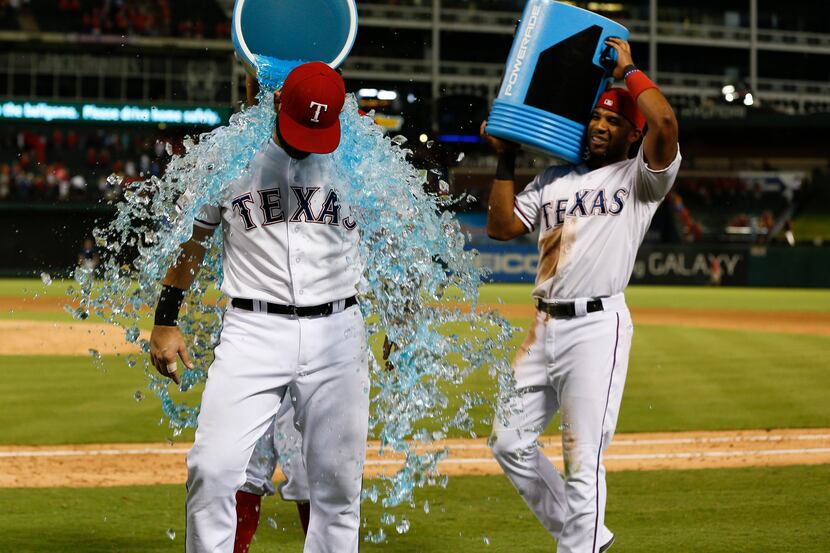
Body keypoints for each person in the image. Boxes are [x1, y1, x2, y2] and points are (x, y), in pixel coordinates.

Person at [149, 62, 368, 553]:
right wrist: (166, 319)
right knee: (211, 468)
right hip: (252, 330)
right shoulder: (229, 161)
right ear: (273, 104)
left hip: (339, 333)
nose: (308, 139)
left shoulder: (359, 164)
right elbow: (193, 243)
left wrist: (402, 320)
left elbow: (400, 241)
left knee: (338, 490)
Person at [481, 38, 680, 553]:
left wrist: (629, 71)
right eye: (596, 117)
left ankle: (581, 545)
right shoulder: (553, 179)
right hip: (543, 326)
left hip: (596, 327)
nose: (599, 126)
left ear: (632, 134)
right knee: (508, 443)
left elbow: (666, 126)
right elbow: (502, 226)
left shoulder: (640, 179)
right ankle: (590, 536)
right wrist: (506, 160)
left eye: (613, 121)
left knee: (582, 458)